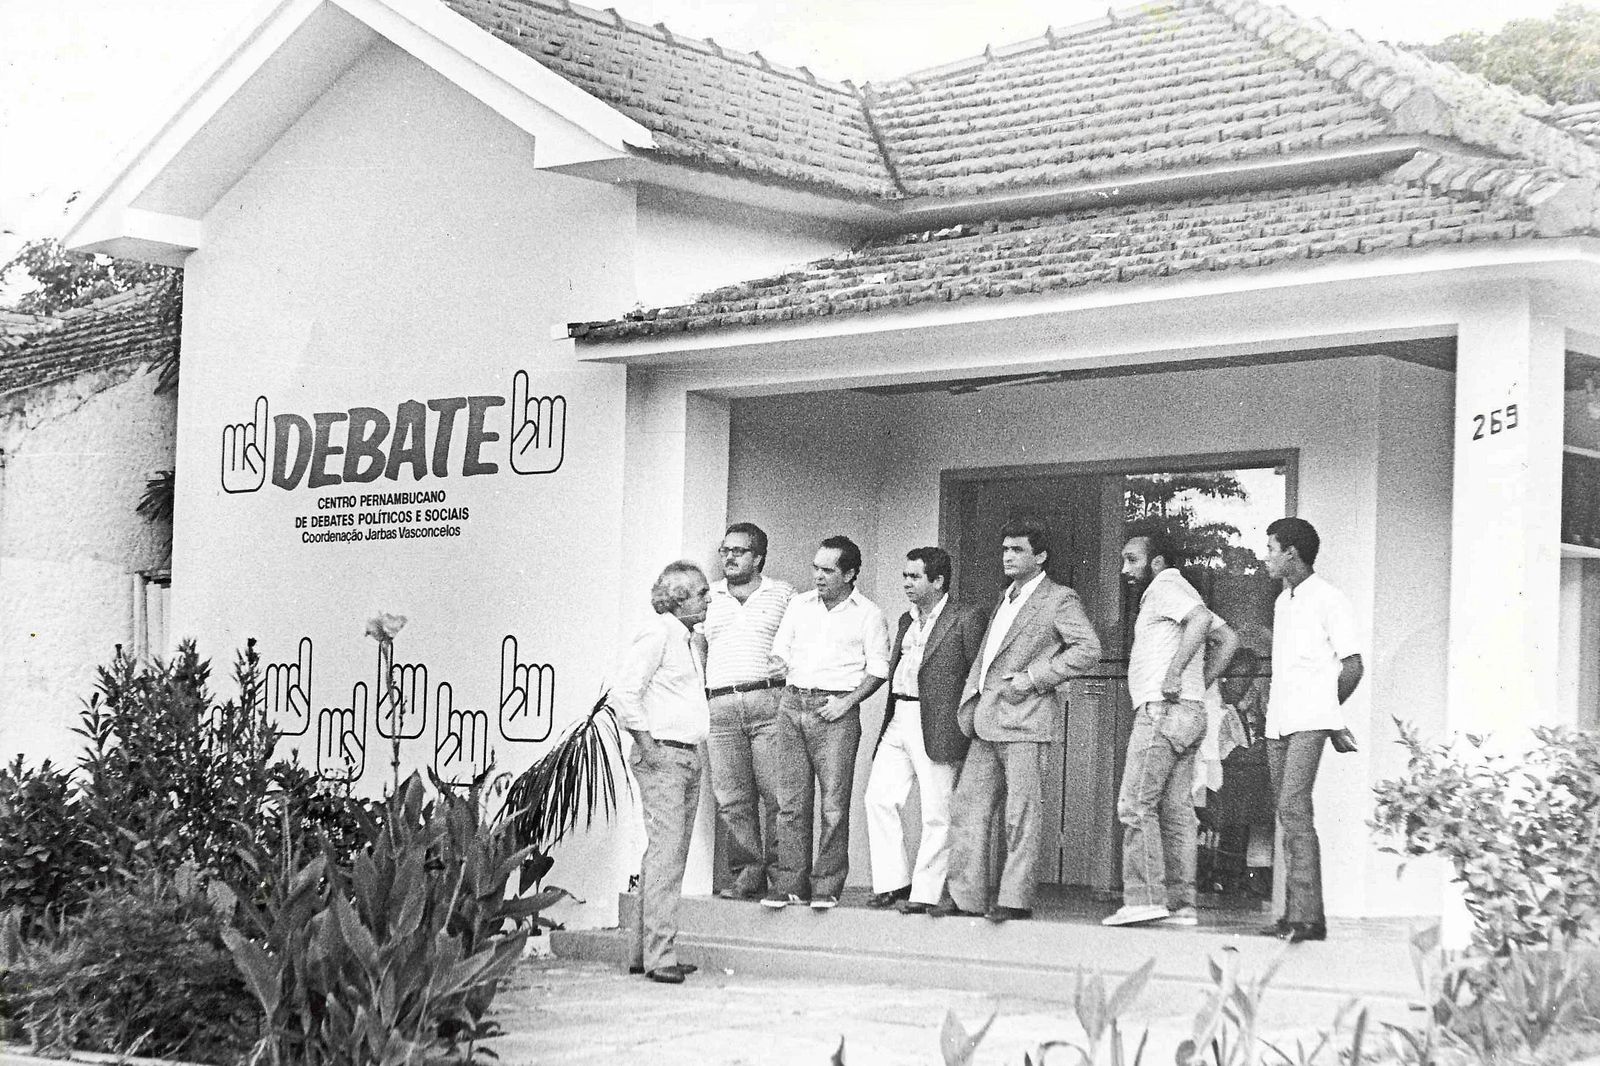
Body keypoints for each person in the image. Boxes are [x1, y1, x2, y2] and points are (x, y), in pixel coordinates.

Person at [937, 517, 1101, 923]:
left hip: (1025, 720)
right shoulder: (1005, 597)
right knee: (968, 808)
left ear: (1040, 556)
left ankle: (1015, 899)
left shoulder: (1059, 598)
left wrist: (1034, 678)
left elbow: (1088, 648)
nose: (1007, 557)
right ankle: (965, 896)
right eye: (1005, 549)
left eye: (1017, 550)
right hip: (987, 719)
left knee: (1021, 814)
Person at [1102, 534, 1237, 928]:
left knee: (1135, 805)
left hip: (1162, 711)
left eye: (1132, 560)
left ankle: (1144, 899)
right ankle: (1181, 904)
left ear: (1157, 562)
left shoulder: (1165, 586)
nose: (1125, 570)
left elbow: (1200, 621)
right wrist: (1199, 684)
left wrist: (1175, 673)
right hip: (1189, 712)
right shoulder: (1179, 589)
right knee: (1177, 811)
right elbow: (1228, 639)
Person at [763, 535, 890, 911]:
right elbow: (780, 650)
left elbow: (879, 668)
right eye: (815, 568)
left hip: (834, 710)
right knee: (790, 802)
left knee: (833, 805)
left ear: (849, 574)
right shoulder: (799, 605)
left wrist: (847, 703)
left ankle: (826, 886)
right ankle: (789, 884)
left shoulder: (868, 614)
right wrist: (778, 666)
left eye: (827, 570)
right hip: (792, 703)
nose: (818, 576)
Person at [863, 547, 987, 914]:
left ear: (938, 581)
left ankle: (927, 892)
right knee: (878, 797)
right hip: (899, 714)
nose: (906, 583)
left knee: (937, 810)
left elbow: (976, 674)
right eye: (905, 576)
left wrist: (966, 723)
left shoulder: (965, 617)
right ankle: (894, 882)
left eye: (914, 577)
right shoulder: (906, 619)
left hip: (938, 720)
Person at [1261, 517, 1364, 943]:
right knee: (1287, 813)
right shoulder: (1282, 602)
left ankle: (1308, 918)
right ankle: (1295, 914)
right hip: (1279, 722)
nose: (1266, 557)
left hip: (1308, 722)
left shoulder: (1329, 599)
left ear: (1292, 553)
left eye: (1271, 549)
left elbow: (1353, 666)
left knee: (1295, 807)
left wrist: (1326, 714)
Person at [612, 561, 711, 984]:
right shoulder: (658, 634)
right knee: (666, 857)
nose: (708, 599)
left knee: (665, 858)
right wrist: (649, 747)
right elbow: (624, 693)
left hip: (687, 756)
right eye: (701, 593)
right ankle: (660, 955)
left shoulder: (688, 640)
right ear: (678, 598)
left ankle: (646, 952)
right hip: (665, 757)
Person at [703, 522, 795, 901]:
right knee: (731, 798)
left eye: (738, 551)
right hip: (721, 706)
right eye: (725, 550)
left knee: (778, 795)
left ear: (757, 557)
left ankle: (782, 878)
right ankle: (747, 876)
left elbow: (800, 641)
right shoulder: (708, 596)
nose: (729, 557)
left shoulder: (783, 594)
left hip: (768, 701)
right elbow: (698, 649)